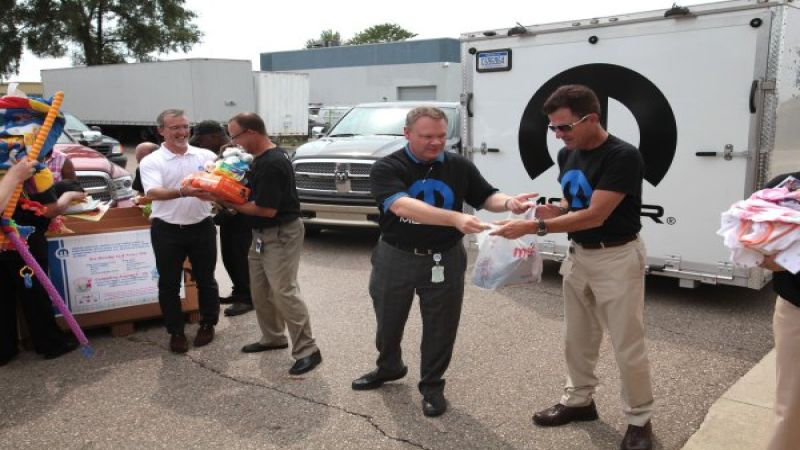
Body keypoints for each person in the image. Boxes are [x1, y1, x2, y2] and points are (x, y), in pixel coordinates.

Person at [492, 85, 653, 450]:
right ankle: (579, 401)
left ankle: (640, 419)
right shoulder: (570, 154)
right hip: (579, 256)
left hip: (616, 257)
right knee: (577, 339)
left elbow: (597, 213)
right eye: (553, 129)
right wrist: (557, 209)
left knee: (627, 344)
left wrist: (534, 226)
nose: (559, 136)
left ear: (591, 119)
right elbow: (577, 200)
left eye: (564, 127)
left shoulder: (622, 156)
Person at [351, 106, 534, 417]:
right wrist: (456, 218)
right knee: (388, 319)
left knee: (441, 325)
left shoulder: (458, 165)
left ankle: (432, 385)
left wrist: (510, 203)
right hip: (396, 255)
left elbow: (486, 196)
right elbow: (402, 206)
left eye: (441, 136)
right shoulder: (387, 167)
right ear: (407, 134)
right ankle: (389, 366)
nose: (436, 143)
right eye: (426, 137)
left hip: (445, 257)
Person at [219, 112, 321, 375]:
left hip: (281, 233)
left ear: (251, 132)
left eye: (235, 135)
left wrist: (227, 201)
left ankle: (308, 350)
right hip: (262, 235)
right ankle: (274, 337)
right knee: (260, 290)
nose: (234, 142)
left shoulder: (272, 163)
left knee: (284, 291)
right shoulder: (259, 159)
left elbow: (266, 210)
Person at [139, 109, 220, 354]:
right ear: (161, 131)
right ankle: (176, 331)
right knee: (169, 284)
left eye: (185, 126)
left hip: (202, 226)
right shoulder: (152, 161)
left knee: (206, 280)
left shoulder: (206, 155)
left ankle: (208, 323)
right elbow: (153, 193)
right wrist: (185, 191)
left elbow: (219, 184)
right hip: (167, 230)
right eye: (175, 127)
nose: (182, 132)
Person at [1, 158, 87, 365]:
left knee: (3, 298)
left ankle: (5, 349)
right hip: (25, 242)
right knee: (34, 297)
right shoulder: (35, 171)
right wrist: (71, 195)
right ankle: (50, 343)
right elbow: (51, 209)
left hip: (12, 241)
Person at [189, 120, 253, 317]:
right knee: (229, 256)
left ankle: (247, 297)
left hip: (242, 215)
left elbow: (247, 187)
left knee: (241, 257)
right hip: (227, 214)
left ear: (214, 136)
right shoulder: (222, 152)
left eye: (200, 141)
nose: (198, 145)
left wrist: (231, 211)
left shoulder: (238, 153)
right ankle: (238, 291)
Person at [759, 172, 800, 450]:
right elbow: (753, 239)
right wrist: (769, 256)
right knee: (792, 402)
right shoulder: (785, 186)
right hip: (796, 309)